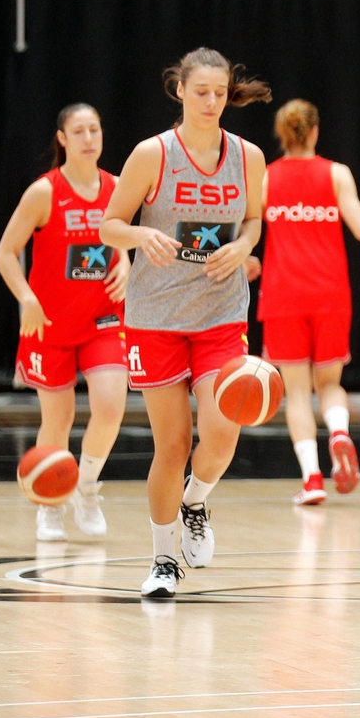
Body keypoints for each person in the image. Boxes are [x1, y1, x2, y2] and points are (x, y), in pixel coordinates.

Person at [100, 47, 269, 598]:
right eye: (202, 91)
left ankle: (196, 500)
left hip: (220, 311)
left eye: (220, 93)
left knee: (222, 435)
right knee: (171, 445)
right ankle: (163, 559)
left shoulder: (248, 156)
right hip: (156, 318)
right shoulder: (153, 154)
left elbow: (253, 222)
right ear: (180, 91)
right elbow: (109, 225)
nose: (212, 101)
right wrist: (140, 235)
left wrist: (241, 246)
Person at [258, 99, 360, 505]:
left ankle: (312, 479)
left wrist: (247, 260)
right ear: (314, 132)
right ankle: (340, 432)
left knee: (296, 393)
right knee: (330, 384)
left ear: (282, 133)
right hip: (329, 293)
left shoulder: (265, 178)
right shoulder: (337, 174)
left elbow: (249, 232)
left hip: (282, 293)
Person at [0, 103, 129, 542]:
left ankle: (86, 486)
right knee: (59, 418)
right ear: (63, 139)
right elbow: (4, 253)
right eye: (79, 130)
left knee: (110, 406)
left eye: (95, 129)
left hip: (102, 318)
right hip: (50, 323)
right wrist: (27, 298)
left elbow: (123, 239)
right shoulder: (44, 192)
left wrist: (125, 263)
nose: (89, 137)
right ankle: (49, 503)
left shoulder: (117, 188)